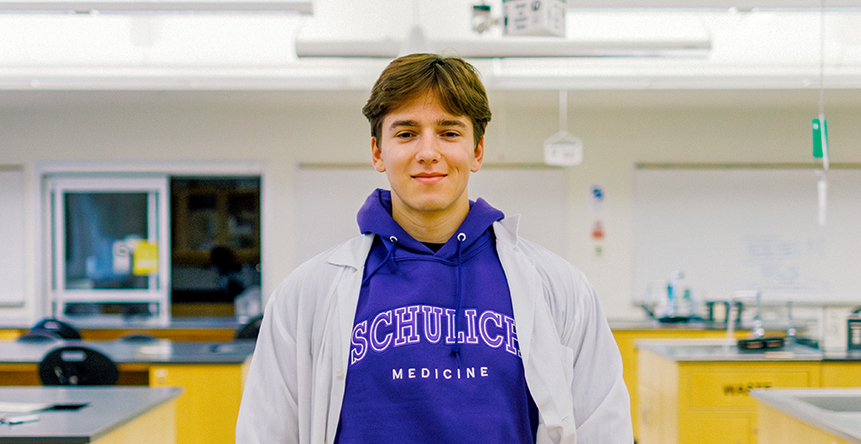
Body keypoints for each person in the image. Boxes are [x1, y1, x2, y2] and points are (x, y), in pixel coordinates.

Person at [236, 53, 633, 444]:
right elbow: (265, 431)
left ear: (476, 151)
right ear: (378, 152)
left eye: (449, 132)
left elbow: (604, 428)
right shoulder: (306, 294)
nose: (428, 152)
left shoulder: (561, 288)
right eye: (406, 133)